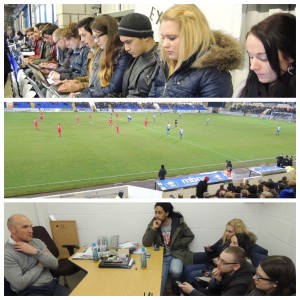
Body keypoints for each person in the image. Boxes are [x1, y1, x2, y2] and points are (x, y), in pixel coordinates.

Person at [148, 4, 242, 97]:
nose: (164, 44)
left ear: (193, 37)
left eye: (172, 38)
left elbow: (212, 111)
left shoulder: (214, 74)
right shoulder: (164, 64)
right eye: (163, 38)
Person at [4, 214, 70, 296]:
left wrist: (36, 252)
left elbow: (55, 264)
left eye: (31, 226)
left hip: (52, 284)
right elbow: (19, 284)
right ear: (11, 229)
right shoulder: (6, 253)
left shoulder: (37, 242)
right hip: (31, 291)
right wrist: (40, 265)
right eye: (25, 227)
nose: (31, 230)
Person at [71, 14, 131, 98]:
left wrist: (84, 96)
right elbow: (95, 85)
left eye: (97, 37)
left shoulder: (122, 54)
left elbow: (113, 88)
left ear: (109, 33)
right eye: (94, 37)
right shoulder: (101, 51)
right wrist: (83, 93)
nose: (96, 41)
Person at [238, 13, 295, 98]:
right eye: (251, 56)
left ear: (290, 56)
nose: (252, 67)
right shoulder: (242, 89)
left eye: (263, 57)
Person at [142, 203, 195, 295]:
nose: (156, 215)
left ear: (167, 213)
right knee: (160, 278)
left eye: (160, 213)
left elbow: (190, 236)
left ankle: (177, 292)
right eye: (155, 212)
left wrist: (177, 244)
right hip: (162, 256)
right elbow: (146, 243)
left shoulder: (178, 222)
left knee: (176, 271)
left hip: (177, 254)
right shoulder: (153, 223)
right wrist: (153, 228)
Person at [183, 218, 257, 283]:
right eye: (226, 230)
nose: (227, 233)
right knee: (187, 269)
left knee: (192, 274)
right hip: (212, 264)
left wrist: (217, 261)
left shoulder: (240, 245)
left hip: (218, 269)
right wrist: (210, 250)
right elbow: (214, 249)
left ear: (238, 233)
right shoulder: (225, 238)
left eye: (230, 231)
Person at [179, 246, 255, 296]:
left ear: (236, 266)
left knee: (192, 291)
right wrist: (217, 281)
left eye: (223, 262)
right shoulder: (229, 267)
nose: (218, 263)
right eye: (219, 259)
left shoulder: (241, 284)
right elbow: (213, 291)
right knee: (192, 289)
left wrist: (192, 292)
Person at [118, 13, 159, 97]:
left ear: (145, 36)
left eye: (128, 42)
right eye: (124, 43)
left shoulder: (161, 62)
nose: (126, 48)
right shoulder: (136, 56)